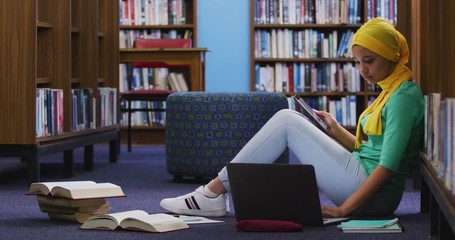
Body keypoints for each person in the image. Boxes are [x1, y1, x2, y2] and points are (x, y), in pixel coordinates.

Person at [160, 18, 424, 218]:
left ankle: (212, 193)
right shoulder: (391, 89)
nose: (362, 69)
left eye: (369, 60)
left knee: (286, 120)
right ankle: (213, 192)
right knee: (287, 120)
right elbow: (370, 150)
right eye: (356, 62)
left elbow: (388, 166)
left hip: (372, 195)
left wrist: (344, 209)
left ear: (391, 56)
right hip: (362, 177)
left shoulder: (404, 95)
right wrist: (335, 130)